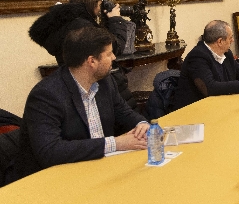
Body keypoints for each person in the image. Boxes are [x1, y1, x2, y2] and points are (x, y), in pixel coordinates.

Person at [10, 27, 148, 183]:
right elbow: (50, 151)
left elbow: (123, 111)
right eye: (109, 54)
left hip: (97, 170)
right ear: (92, 61)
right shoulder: (46, 95)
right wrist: (116, 143)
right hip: (52, 181)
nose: (114, 57)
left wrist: (141, 124)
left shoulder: (105, 82)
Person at [28, 0, 135, 107]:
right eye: (99, 5)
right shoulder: (83, 27)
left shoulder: (63, 25)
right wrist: (116, 20)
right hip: (99, 83)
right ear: (93, 4)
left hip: (78, 85)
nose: (100, 10)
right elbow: (116, 46)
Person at [170, 20, 239, 112]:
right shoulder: (198, 57)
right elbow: (209, 87)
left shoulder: (226, 53)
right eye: (230, 38)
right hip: (195, 111)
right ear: (220, 41)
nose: (232, 41)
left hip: (219, 104)